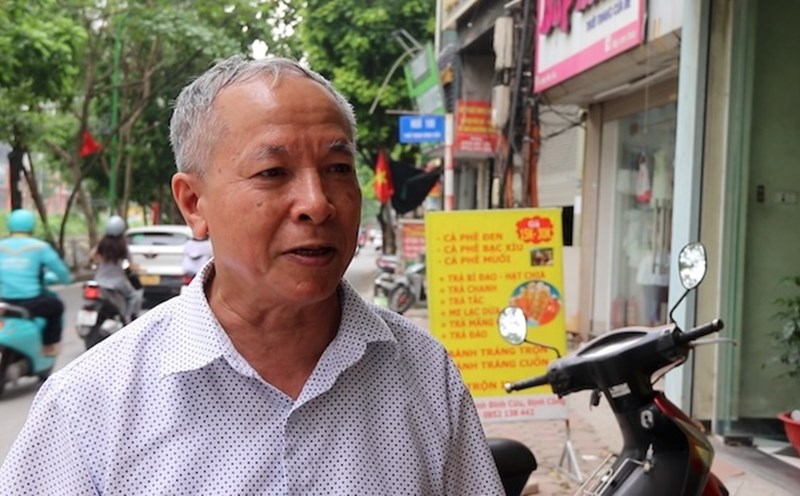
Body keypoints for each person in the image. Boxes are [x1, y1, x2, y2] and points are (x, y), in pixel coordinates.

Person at [0, 56, 504, 494]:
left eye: (336, 168)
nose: (317, 203)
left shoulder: (423, 373)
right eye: (273, 172)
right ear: (194, 203)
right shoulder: (91, 403)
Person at [0, 209, 72, 356]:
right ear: (31, 226)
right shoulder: (39, 247)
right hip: (30, 303)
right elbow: (61, 271)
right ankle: (49, 345)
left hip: (3, 302)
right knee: (56, 306)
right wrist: (67, 280)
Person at [90, 215, 143, 321]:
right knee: (133, 296)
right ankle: (128, 318)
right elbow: (131, 265)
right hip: (117, 282)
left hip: (99, 281)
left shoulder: (102, 244)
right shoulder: (123, 247)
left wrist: (99, 262)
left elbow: (92, 256)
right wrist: (140, 269)